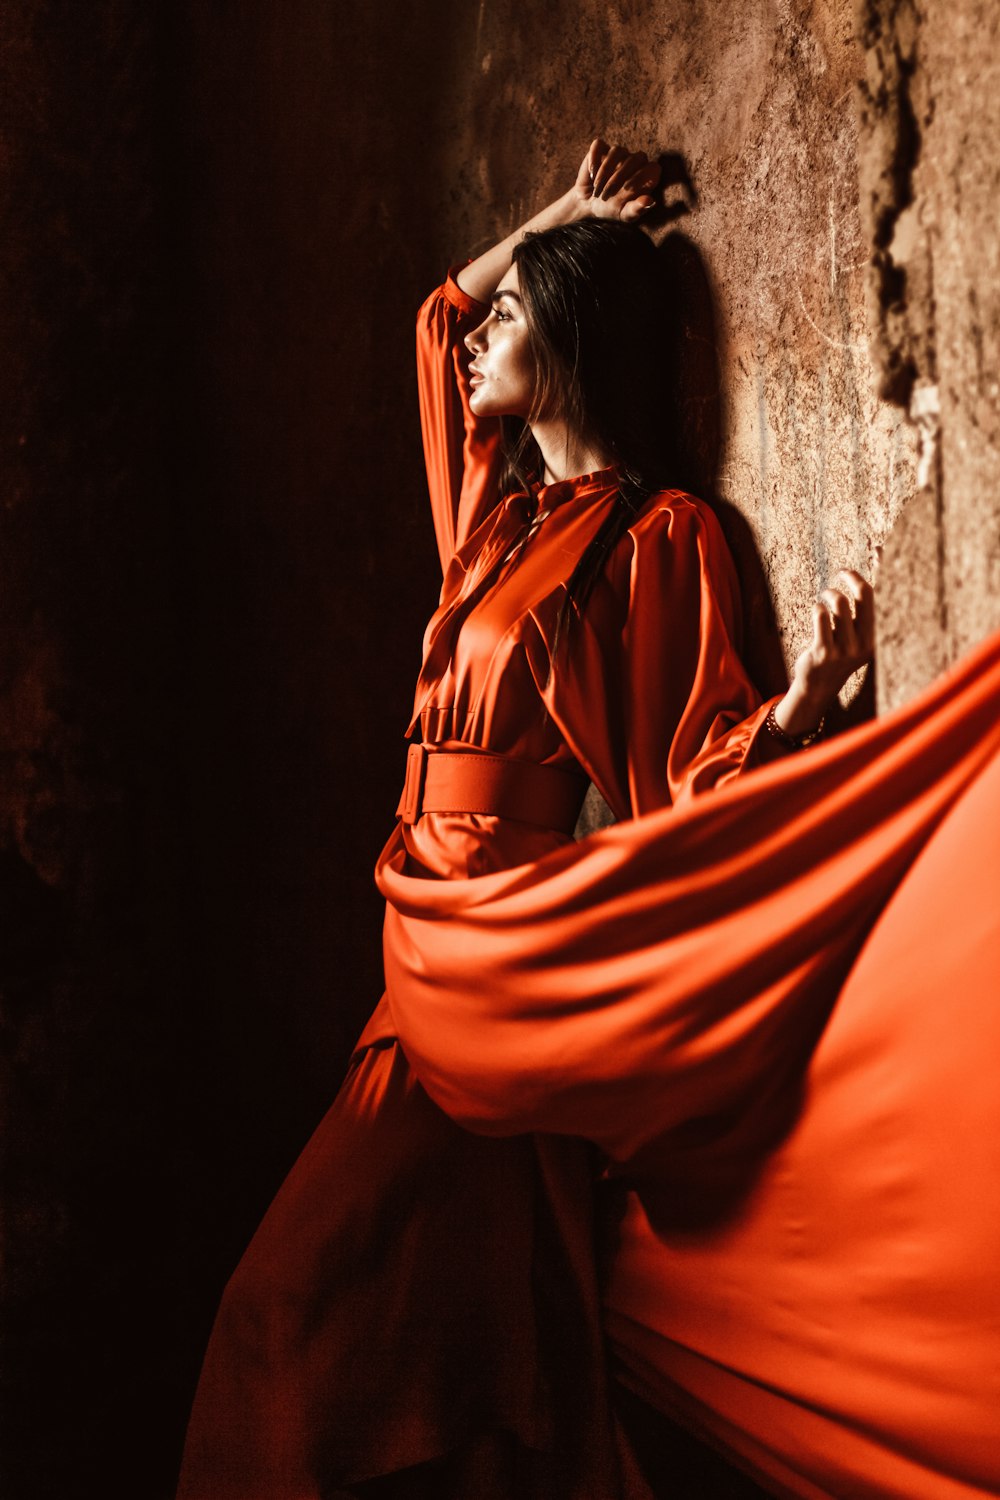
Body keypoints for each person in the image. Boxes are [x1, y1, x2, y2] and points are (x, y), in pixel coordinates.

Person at [175, 140, 878, 1500]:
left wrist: (807, 699)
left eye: (523, 310)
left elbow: (699, 773)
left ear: (567, 343)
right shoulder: (492, 528)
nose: (490, 326)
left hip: (502, 953)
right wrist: (562, 214)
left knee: (278, 1313)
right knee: (483, 1359)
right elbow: (439, 321)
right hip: (417, 941)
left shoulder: (657, 538)